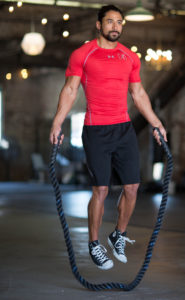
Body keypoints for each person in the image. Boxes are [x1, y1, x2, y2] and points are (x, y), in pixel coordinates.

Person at [50, 5, 167, 271]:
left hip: (123, 129)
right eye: (110, 21)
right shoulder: (83, 53)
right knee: (101, 189)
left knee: (132, 187)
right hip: (96, 130)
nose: (115, 26)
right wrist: (57, 123)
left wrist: (157, 124)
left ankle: (118, 234)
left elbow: (138, 94)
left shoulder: (129, 57)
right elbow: (69, 90)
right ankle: (94, 243)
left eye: (119, 22)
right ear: (98, 24)